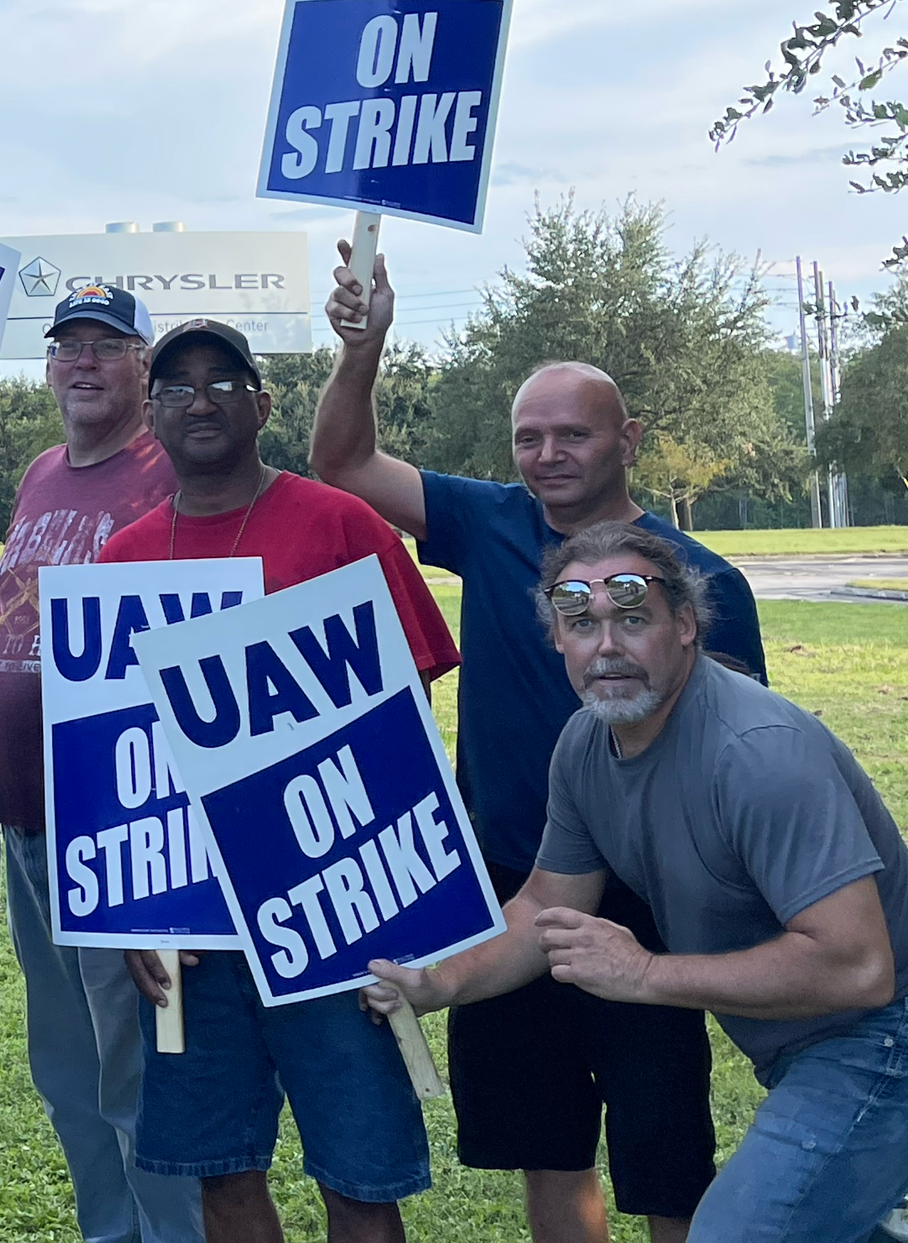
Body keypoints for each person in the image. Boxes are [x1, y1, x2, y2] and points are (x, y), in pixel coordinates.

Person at [309, 249, 767, 1242]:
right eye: (528, 437)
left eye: (572, 434)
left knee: (663, 1154)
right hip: (509, 882)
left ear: (628, 439)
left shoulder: (703, 579)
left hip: (647, 895)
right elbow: (342, 465)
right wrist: (363, 346)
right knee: (545, 1143)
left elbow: (746, 758)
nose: (546, 455)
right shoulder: (487, 522)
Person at [364, 522, 908, 1242]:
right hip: (809, 1051)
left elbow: (860, 966)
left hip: (882, 1042)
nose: (607, 645)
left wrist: (646, 971)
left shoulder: (757, 753)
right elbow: (546, 907)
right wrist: (441, 980)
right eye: (581, 624)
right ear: (557, 639)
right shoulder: (586, 745)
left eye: (632, 619)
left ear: (686, 624)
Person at [99, 318, 459, 1243]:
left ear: (263, 404)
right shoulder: (123, 560)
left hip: (331, 899)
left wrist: (383, 873)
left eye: (225, 380)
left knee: (360, 1172)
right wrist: (141, 910)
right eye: (177, 386)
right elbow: (111, 754)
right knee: (221, 1170)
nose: (201, 398)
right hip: (194, 921)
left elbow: (406, 701)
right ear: (152, 416)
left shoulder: (341, 523)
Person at [0, 281, 200, 1243]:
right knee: (69, 1071)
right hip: (22, 820)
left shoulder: (171, 469)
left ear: (143, 362)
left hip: (117, 821)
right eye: (67, 345)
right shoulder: (43, 471)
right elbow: (6, 607)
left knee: (137, 1069)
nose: (83, 360)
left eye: (107, 344)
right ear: (47, 365)